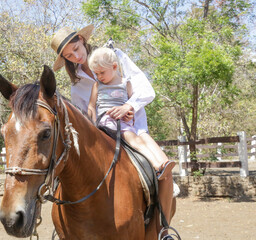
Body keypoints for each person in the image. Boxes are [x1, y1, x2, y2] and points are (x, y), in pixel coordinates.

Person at [50, 24, 176, 234]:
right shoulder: (77, 85)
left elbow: (145, 88)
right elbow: (84, 114)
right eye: (68, 56)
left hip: (133, 128)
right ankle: (65, 227)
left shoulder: (114, 56)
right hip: (99, 134)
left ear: (82, 39)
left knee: (166, 172)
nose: (75, 56)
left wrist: (129, 106)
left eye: (76, 49)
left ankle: (162, 230)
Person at [87, 47, 175, 179]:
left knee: (137, 141)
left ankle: (157, 166)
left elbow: (130, 105)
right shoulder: (97, 85)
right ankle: (157, 165)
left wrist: (130, 115)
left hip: (122, 123)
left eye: (102, 72)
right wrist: (92, 123)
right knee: (135, 140)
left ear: (115, 66)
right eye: (96, 73)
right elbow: (92, 106)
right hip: (105, 120)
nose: (99, 77)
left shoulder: (125, 83)